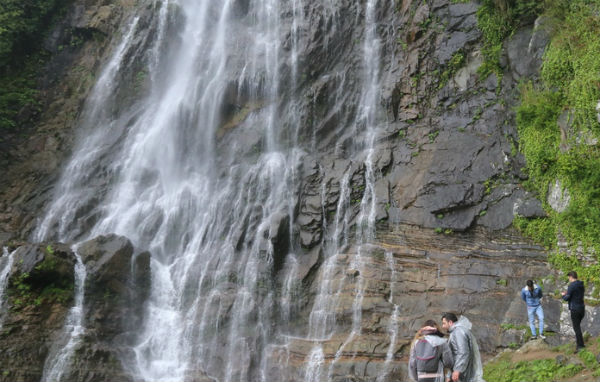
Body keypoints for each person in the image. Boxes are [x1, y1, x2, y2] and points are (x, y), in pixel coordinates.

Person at [441, 313, 486, 382]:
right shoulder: (456, 331)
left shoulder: (458, 332)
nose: (442, 326)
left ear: (450, 322)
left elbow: (463, 352)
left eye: (444, 323)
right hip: (462, 370)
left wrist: (457, 370)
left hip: (462, 372)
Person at [561, 270, 585, 352]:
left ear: (571, 277)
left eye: (569, 278)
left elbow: (567, 298)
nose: (568, 279)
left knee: (576, 328)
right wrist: (569, 293)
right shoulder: (581, 284)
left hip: (575, 309)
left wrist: (563, 295)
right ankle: (580, 342)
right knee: (578, 326)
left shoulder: (572, 286)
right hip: (582, 308)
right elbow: (576, 294)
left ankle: (580, 346)